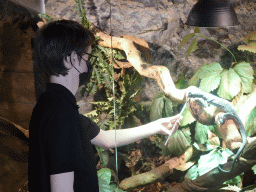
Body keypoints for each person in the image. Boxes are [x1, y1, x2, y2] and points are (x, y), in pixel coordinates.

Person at [28, 19, 182, 192]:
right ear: (72, 59)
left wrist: (157, 126)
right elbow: (61, 188)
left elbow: (105, 139)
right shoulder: (61, 115)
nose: (89, 63)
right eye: (87, 56)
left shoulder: (51, 105)